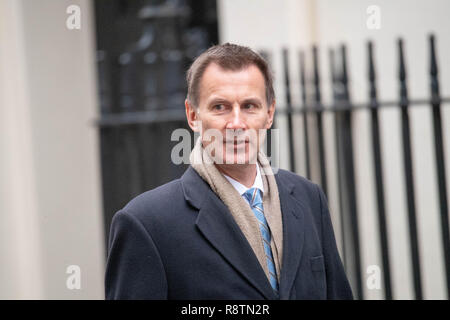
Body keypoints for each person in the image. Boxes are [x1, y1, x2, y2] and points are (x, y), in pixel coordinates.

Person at [105, 43, 353, 300]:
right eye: (220, 107)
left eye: (249, 106)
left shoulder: (308, 198)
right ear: (193, 116)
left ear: (269, 114)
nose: (236, 123)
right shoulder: (146, 222)